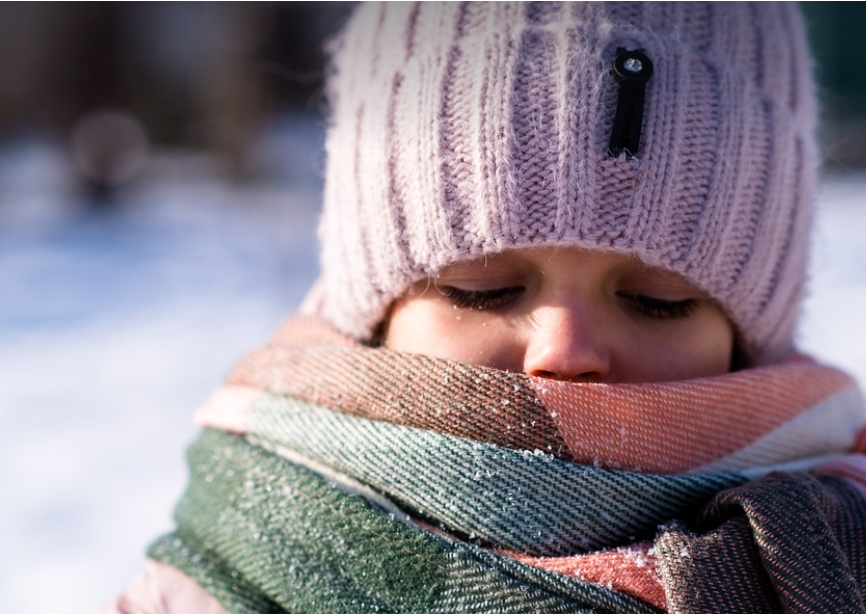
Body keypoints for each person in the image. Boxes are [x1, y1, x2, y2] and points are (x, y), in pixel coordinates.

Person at [102, 2, 866, 613]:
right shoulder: (215, 587)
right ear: (375, 317)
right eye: (483, 289)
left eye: (657, 301)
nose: (565, 350)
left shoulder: (839, 554)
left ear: (747, 337)